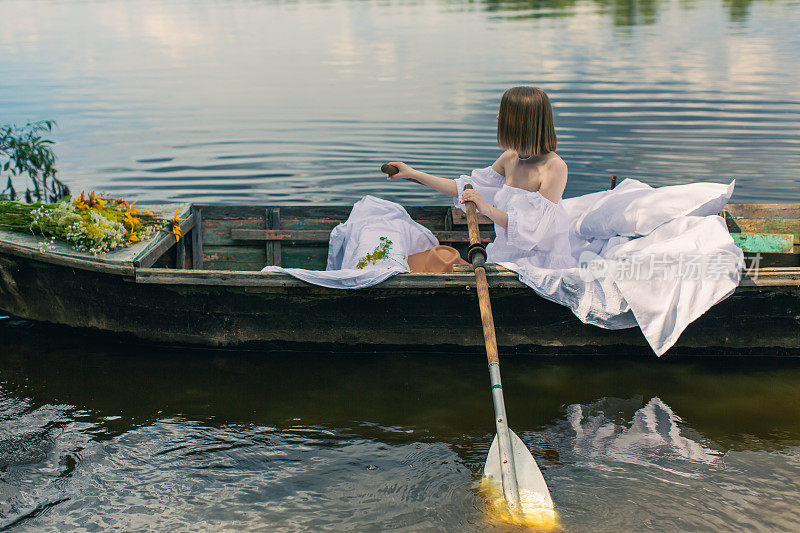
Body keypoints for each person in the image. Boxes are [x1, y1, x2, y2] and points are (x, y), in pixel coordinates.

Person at [385, 86, 576, 269]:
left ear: (522, 121)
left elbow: (532, 231)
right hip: (506, 253)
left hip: (540, 261)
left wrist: (485, 208)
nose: (498, 117)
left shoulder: (554, 167)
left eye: (504, 113)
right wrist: (412, 174)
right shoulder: (510, 157)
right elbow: (463, 188)